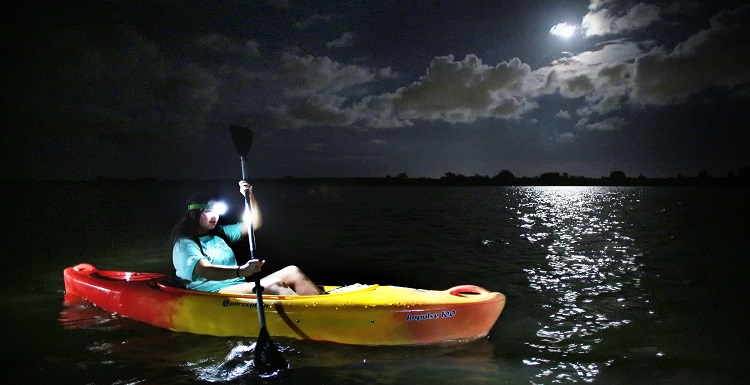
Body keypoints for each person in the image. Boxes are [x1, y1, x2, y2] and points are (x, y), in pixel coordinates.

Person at [171, 180, 322, 296]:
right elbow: (204, 270)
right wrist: (242, 270)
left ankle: (320, 302)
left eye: (217, 211)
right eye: (208, 211)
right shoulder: (185, 242)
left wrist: (249, 197)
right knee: (275, 284)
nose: (214, 216)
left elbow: (254, 223)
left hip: (238, 285)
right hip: (214, 293)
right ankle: (311, 316)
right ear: (194, 213)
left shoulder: (220, 233)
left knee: (292, 271)